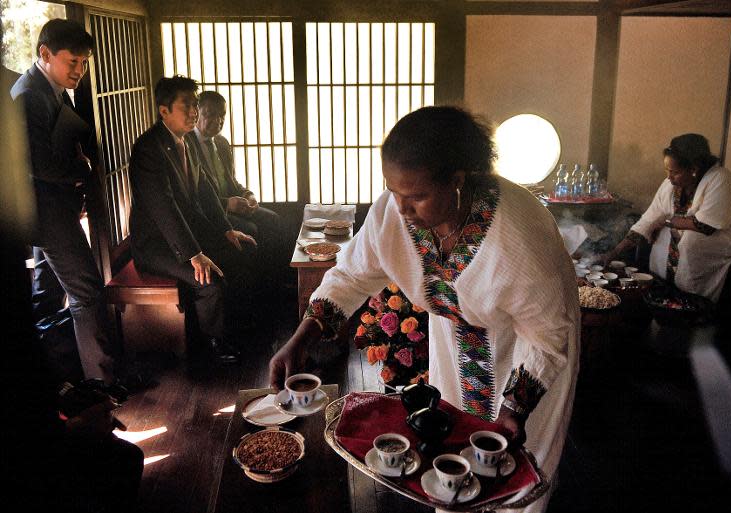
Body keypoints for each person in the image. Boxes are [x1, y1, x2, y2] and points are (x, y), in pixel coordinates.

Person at [270, 106, 580, 513]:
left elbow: (545, 332)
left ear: (457, 181)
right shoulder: (392, 213)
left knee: (510, 474)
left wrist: (513, 409)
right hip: (454, 345)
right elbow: (351, 275)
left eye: (416, 195)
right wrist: (301, 337)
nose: (400, 208)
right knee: (450, 458)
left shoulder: (520, 233)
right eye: (393, 191)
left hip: (526, 354)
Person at [11, 18, 118, 383]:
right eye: (73, 62)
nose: (80, 70)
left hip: (55, 209)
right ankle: (102, 382)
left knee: (46, 295)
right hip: (47, 213)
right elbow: (36, 162)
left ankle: (61, 376)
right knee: (87, 292)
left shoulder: (51, 88)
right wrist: (80, 167)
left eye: (84, 63)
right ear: (45, 54)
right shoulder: (28, 95)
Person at [128, 75, 257, 364]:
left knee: (241, 249)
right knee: (208, 280)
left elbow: (205, 190)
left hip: (188, 232)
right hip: (157, 245)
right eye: (186, 105)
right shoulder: (149, 149)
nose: (194, 112)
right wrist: (194, 255)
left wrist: (226, 230)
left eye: (195, 105)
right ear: (164, 111)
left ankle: (244, 329)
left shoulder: (187, 142)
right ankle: (214, 343)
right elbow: (165, 208)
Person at [602, 133, 731, 302]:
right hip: (702, 229)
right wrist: (615, 251)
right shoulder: (671, 184)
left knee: (691, 242)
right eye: (667, 170)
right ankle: (665, 291)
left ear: (694, 169)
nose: (668, 177)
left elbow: (705, 226)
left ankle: (693, 297)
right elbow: (648, 220)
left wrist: (666, 222)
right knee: (664, 237)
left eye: (674, 172)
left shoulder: (721, 179)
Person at [187, 90, 285, 285]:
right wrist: (226, 205)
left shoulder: (222, 143)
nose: (218, 120)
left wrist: (248, 195)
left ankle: (273, 283)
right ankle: (252, 284)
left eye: (222, 115)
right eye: (210, 115)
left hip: (232, 207)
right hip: (209, 214)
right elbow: (192, 195)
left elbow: (231, 181)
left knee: (273, 221)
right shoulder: (187, 145)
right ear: (197, 114)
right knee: (251, 229)